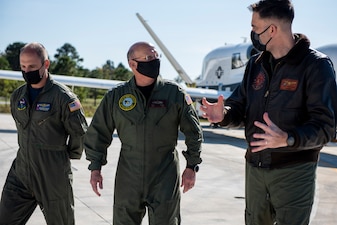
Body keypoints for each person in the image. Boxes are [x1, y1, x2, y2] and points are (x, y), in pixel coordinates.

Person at [200, 1, 337, 225]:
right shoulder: (255, 64)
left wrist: (288, 138)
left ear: (271, 30)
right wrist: (223, 114)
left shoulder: (316, 65)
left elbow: (326, 127)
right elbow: (239, 106)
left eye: (255, 28)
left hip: (294, 172)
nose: (253, 33)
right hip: (255, 169)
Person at [84, 41, 202, 225]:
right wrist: (95, 167)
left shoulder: (174, 94)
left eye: (156, 56)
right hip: (128, 177)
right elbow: (98, 133)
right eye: (148, 58)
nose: (154, 61)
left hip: (165, 176)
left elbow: (194, 132)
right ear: (132, 64)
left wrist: (192, 166)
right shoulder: (116, 97)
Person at [0, 42, 88, 225]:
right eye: (23, 67)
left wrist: (66, 155)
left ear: (45, 64)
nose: (27, 71)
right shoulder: (18, 96)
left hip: (53, 175)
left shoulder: (63, 97)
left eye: (32, 66)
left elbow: (79, 132)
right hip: (22, 172)